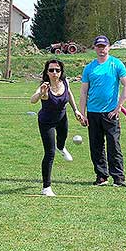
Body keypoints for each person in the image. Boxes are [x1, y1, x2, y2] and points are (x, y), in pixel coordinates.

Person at [79, 35, 126, 187]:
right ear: (94, 48)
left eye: (104, 46)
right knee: (96, 146)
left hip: (111, 113)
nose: (101, 49)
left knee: (113, 145)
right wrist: (82, 114)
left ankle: (118, 178)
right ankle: (101, 176)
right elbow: (83, 92)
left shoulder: (116, 64)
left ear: (108, 47)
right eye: (99, 47)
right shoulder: (89, 68)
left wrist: (119, 106)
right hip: (93, 113)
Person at [31, 59, 82, 196]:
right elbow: (33, 100)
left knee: (62, 140)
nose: (54, 73)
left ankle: (62, 147)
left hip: (62, 118)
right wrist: (41, 93)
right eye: (51, 70)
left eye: (57, 70)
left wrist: (76, 110)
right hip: (46, 122)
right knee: (50, 153)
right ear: (47, 72)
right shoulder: (44, 86)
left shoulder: (65, 82)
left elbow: (69, 94)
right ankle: (46, 187)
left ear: (61, 72)